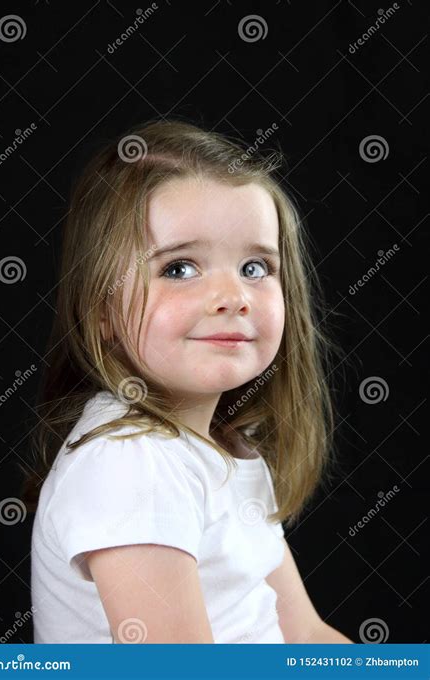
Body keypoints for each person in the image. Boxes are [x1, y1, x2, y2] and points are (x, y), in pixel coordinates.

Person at [23, 118, 354, 644]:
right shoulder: (132, 463)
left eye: (255, 267)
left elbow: (308, 637)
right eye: (179, 268)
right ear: (102, 311)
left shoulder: (224, 448)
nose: (233, 295)